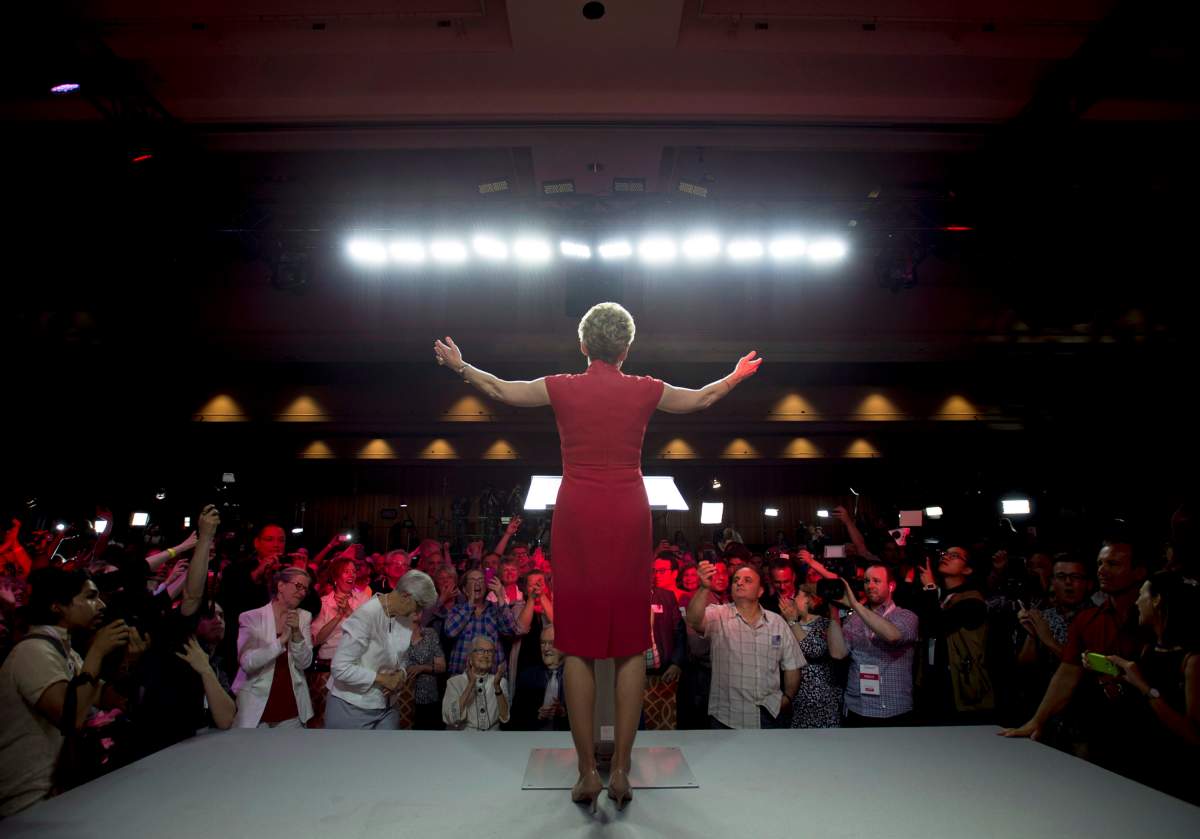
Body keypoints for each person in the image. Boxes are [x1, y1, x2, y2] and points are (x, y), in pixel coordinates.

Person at [434, 303, 761, 811]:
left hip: (579, 511)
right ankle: (623, 770)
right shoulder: (645, 388)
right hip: (629, 509)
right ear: (627, 349)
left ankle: (588, 771)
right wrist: (737, 375)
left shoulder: (561, 385)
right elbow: (701, 400)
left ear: (583, 346)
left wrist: (460, 366)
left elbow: (501, 389)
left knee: (578, 645)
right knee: (631, 645)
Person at [1000, 541, 1149, 773]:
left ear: (1139, 571)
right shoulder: (1088, 620)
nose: (1102, 569)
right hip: (1094, 728)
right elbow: (1067, 673)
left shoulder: (1152, 619)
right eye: (1100, 563)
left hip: (1146, 731)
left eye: (1113, 563)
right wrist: (1037, 721)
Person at [0, 568, 130, 817]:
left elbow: (106, 698)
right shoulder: (33, 651)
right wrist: (97, 652)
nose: (100, 605)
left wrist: (127, 662)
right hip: (25, 806)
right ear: (57, 606)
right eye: (90, 597)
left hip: (55, 796)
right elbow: (71, 718)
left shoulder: (65, 651)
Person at [1099, 571, 1200, 803]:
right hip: (1140, 766)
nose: (1136, 601)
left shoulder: (1192, 660)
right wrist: (1116, 677)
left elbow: (1195, 735)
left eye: (1142, 594)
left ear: (1157, 599)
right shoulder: (1149, 649)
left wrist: (1143, 686)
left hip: (1175, 778)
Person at [686, 561, 805, 730]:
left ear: (760, 591)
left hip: (770, 714)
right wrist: (704, 588)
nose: (739, 583)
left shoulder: (776, 622)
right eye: (736, 580)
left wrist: (787, 698)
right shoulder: (719, 614)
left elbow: (792, 665)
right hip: (727, 717)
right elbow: (693, 620)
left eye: (747, 580)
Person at [326, 571, 438, 730]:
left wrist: (401, 674)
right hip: (352, 706)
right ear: (406, 596)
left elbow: (402, 658)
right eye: (418, 606)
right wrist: (381, 679)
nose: (418, 614)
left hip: (388, 706)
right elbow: (340, 668)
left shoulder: (404, 617)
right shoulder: (365, 616)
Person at [831, 563, 920, 726]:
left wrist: (855, 605)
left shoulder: (906, 616)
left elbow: (892, 636)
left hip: (893, 709)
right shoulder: (854, 619)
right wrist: (833, 612)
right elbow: (838, 653)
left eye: (876, 581)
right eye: (866, 581)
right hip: (857, 707)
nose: (870, 585)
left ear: (891, 586)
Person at [231, 567, 314, 729]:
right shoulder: (251, 617)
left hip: (291, 704)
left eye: (305, 589)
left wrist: (296, 633)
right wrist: (281, 640)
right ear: (280, 585)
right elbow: (247, 663)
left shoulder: (304, 617)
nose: (302, 592)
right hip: (256, 705)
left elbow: (305, 663)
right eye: (298, 586)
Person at [307, 557, 373, 727]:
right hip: (327, 668)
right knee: (324, 718)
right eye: (346, 571)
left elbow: (370, 632)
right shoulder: (323, 603)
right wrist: (338, 616)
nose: (351, 574)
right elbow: (316, 640)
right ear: (336, 577)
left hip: (356, 667)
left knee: (353, 719)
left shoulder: (364, 601)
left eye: (354, 571)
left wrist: (349, 612)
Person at [780, 583, 847, 727]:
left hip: (822, 702)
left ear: (809, 600)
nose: (793, 598)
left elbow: (814, 650)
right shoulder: (788, 624)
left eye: (797, 595)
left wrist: (792, 621)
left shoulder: (824, 623)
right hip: (796, 701)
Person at [443, 569, 518, 675]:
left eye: (481, 580)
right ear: (465, 589)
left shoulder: (495, 609)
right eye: (473, 580)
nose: (477, 583)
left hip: (492, 676)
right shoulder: (457, 610)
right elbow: (450, 632)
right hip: (462, 676)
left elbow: (510, 630)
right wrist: (470, 605)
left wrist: (500, 596)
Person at [441, 636, 510, 732]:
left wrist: (497, 687)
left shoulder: (501, 682)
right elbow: (451, 718)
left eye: (490, 652)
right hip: (463, 738)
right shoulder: (454, 682)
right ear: (470, 657)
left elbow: (505, 717)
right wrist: (470, 685)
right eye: (481, 650)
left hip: (493, 739)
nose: (486, 655)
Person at [403, 585, 448, 731]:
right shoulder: (395, 636)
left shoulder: (430, 634)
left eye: (419, 607)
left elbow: (442, 666)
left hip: (428, 696)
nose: (416, 611)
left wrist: (422, 667)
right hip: (403, 696)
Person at [511, 625, 569, 731]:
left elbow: (586, 719)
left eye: (551, 643)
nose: (546, 648)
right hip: (534, 741)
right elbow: (514, 721)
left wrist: (562, 713)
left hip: (567, 741)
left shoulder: (575, 678)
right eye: (543, 643)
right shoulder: (527, 677)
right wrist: (537, 716)